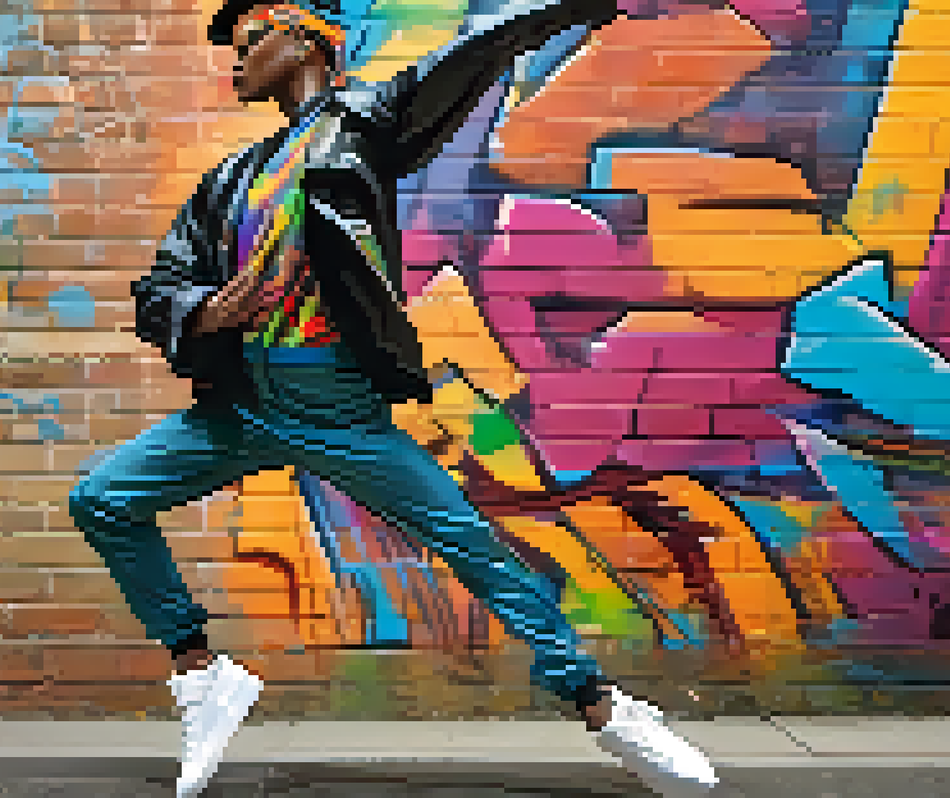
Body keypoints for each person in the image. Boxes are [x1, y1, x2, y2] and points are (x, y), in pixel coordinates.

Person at [67, 0, 719, 794]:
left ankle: (605, 708)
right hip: (244, 402)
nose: (234, 62)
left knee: (473, 547)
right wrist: (202, 312)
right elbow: (161, 285)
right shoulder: (232, 180)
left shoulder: (365, 124)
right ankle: (202, 674)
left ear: (303, 41)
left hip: (337, 405)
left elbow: (481, 44)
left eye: (249, 42)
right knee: (102, 500)